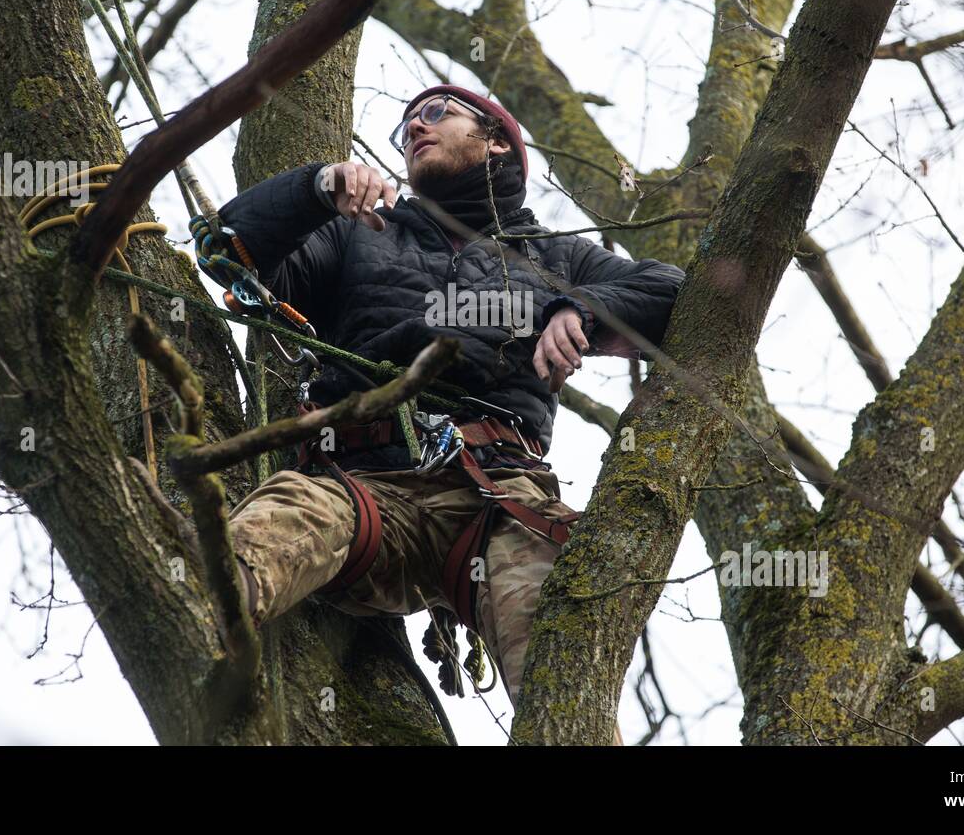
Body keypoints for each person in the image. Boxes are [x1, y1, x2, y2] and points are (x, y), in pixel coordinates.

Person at [201, 84, 684, 724]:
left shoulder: (557, 256)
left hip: (500, 500)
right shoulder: (360, 235)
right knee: (252, 550)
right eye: (404, 127)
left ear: (496, 141)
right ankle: (188, 653)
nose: (414, 129)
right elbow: (229, 250)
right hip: (364, 486)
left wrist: (581, 310)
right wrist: (318, 186)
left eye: (435, 114)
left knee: (560, 679)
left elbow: (676, 292)